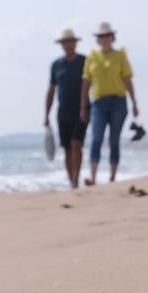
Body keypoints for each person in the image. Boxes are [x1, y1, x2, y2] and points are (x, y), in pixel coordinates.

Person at [80, 22, 139, 186]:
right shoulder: (92, 57)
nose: (104, 39)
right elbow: (86, 83)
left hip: (118, 102)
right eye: (101, 36)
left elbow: (127, 79)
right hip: (98, 103)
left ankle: (112, 177)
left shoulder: (120, 56)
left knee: (114, 139)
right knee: (96, 138)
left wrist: (134, 102)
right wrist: (83, 106)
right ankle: (93, 177)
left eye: (107, 36)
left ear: (112, 37)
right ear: (97, 39)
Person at [44, 29, 86, 188]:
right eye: (65, 42)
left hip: (82, 110)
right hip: (63, 112)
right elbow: (51, 90)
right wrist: (46, 115)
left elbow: (92, 84)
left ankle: (76, 178)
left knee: (77, 143)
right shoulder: (56, 65)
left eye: (71, 41)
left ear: (76, 43)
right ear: (61, 45)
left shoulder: (85, 61)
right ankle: (71, 182)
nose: (68, 45)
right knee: (67, 149)